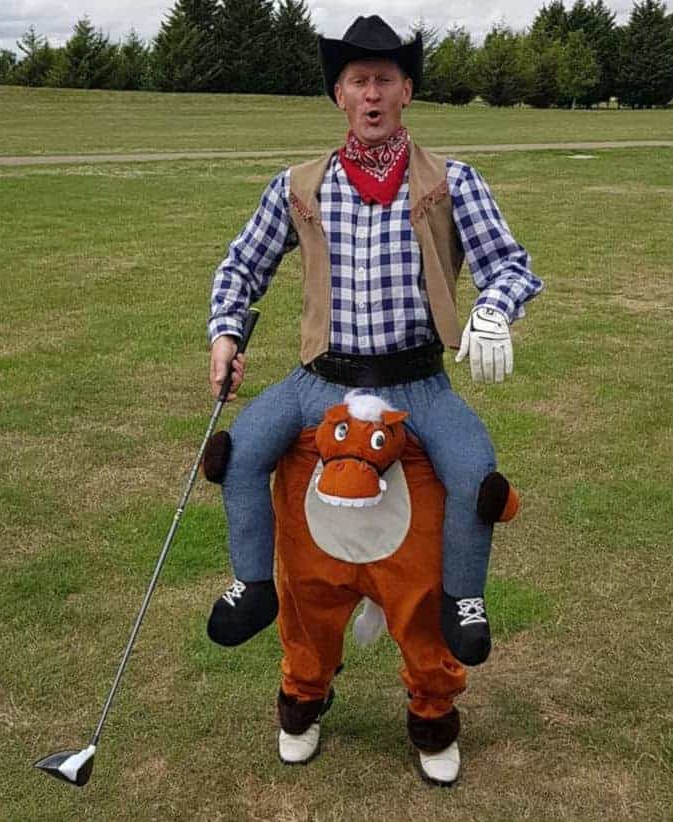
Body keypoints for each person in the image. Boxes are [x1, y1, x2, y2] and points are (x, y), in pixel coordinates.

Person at [205, 16, 543, 667]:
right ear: (340, 95)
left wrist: (495, 309)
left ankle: (462, 599)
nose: (371, 95)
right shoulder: (300, 186)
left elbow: (510, 266)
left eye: (384, 80)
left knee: (475, 468)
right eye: (358, 81)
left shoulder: (452, 182)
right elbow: (242, 266)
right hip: (318, 381)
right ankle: (252, 583)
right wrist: (225, 332)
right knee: (238, 452)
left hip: (417, 383)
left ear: (406, 91)